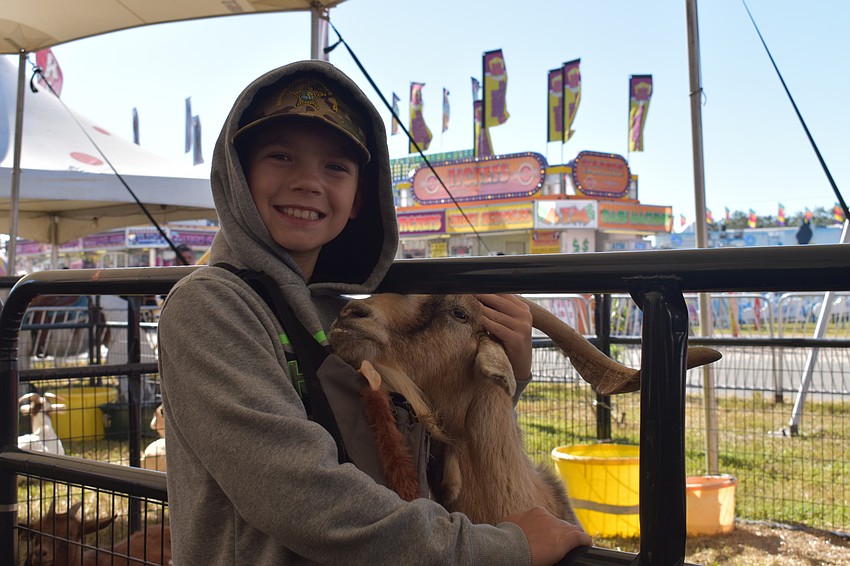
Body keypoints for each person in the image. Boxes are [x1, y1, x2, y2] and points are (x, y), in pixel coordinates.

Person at [158, 60, 591, 566]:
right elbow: (303, 498)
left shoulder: (341, 317)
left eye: (336, 167)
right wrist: (500, 548)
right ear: (238, 173)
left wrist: (509, 376)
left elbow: (419, 448)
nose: (307, 183)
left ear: (359, 196)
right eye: (280, 156)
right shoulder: (210, 307)